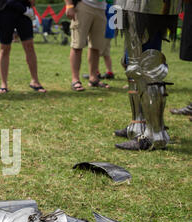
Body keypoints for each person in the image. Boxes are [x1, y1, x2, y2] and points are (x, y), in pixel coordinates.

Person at [113, 0, 181, 150]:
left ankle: (153, 135)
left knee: (148, 67)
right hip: (126, 5)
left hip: (149, 6)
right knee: (132, 65)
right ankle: (138, 125)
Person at [0, 0, 46, 94]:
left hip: (23, 12)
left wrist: (31, 4)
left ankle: (35, 81)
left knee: (29, 45)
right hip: (4, 10)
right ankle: (3, 84)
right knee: (5, 48)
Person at [65, 0, 109, 91]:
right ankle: (75, 80)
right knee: (77, 45)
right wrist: (69, 5)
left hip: (102, 8)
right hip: (83, 5)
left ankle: (93, 79)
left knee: (96, 46)